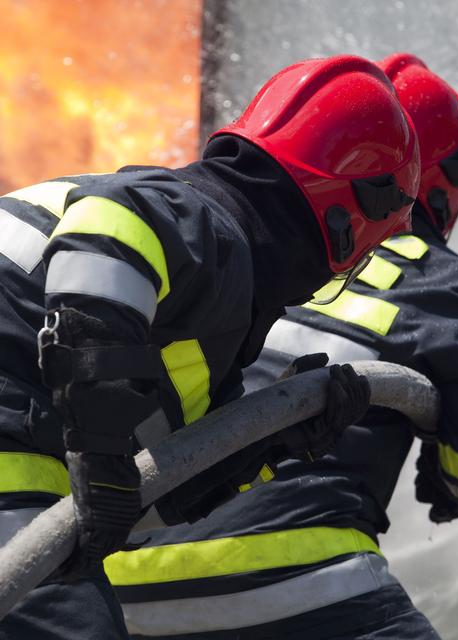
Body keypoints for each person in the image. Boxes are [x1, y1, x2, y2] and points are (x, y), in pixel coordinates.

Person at [109, 53, 458, 639]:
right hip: (287, 577)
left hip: (114, 581)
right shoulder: (439, 280)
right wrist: (454, 472)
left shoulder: (234, 247)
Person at [0, 54, 420, 640]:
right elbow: (111, 232)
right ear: (352, 214)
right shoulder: (207, 223)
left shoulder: (209, 307)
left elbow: (134, 504)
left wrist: (270, 442)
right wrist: (99, 455)